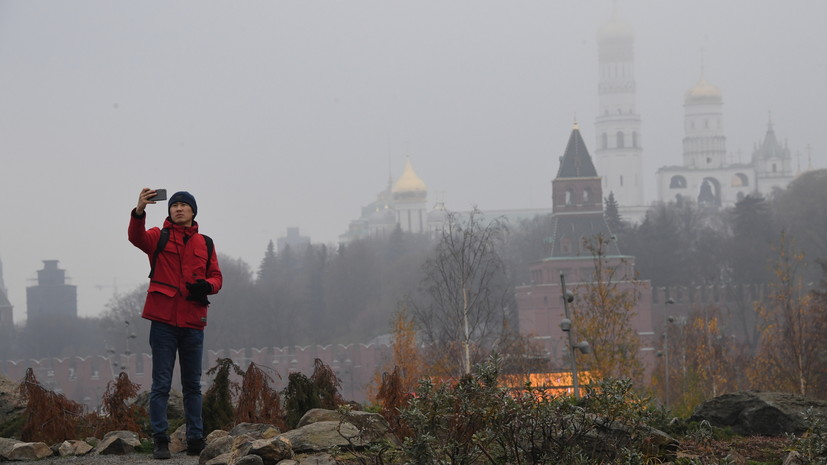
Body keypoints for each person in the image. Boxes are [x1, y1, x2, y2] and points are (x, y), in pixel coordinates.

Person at [129, 188, 223, 459]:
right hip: (163, 321)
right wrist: (139, 211)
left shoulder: (205, 243)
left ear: (193, 212)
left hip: (193, 321)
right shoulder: (159, 236)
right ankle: (160, 440)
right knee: (161, 383)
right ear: (169, 211)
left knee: (192, 384)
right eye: (174, 205)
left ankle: (195, 439)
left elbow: (217, 276)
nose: (178, 209)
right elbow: (135, 238)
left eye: (184, 205)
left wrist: (208, 285)